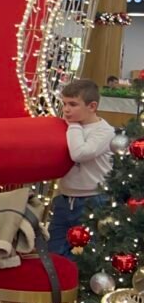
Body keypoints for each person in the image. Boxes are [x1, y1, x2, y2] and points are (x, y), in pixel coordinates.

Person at [47, 79, 115, 258]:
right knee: (54, 252)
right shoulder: (67, 126)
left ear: (92, 106)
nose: (66, 109)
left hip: (93, 200)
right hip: (64, 198)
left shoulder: (104, 131)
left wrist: (74, 126)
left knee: (86, 258)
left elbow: (80, 154)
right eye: (64, 104)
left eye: (73, 104)